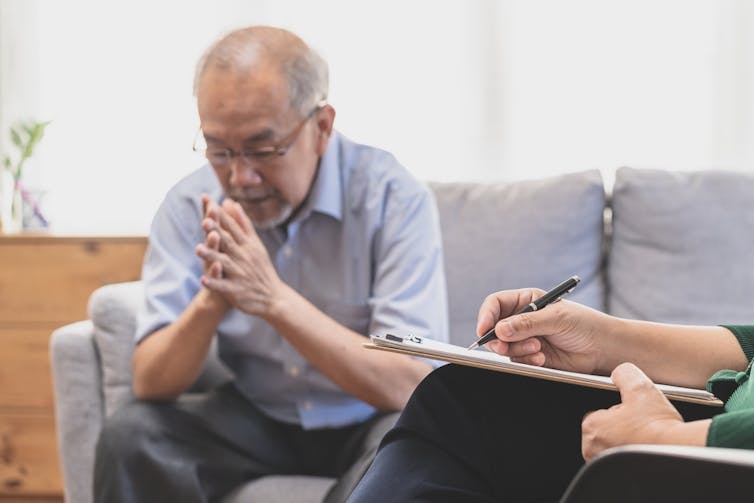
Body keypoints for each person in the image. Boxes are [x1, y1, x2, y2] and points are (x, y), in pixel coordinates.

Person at [93, 26, 448, 503]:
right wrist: (213, 300)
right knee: (131, 436)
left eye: (262, 150)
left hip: (367, 417)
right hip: (255, 414)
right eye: (219, 149)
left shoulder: (393, 198)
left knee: (422, 453)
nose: (240, 176)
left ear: (321, 127)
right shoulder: (188, 205)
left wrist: (273, 299)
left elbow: (410, 384)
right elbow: (151, 380)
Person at [347, 287, 754, 502]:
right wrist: (603, 339)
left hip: (730, 458)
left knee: (463, 411)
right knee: (470, 396)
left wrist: (666, 441)